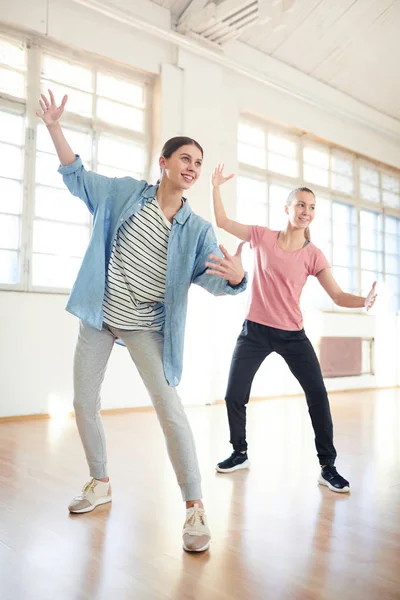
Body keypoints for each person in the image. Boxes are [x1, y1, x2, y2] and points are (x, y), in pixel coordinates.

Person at [36, 92, 247, 552]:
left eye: (198, 162)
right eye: (185, 158)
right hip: (100, 314)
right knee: (83, 400)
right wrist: (54, 127)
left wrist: (238, 277)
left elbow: (215, 280)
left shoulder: (196, 230)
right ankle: (100, 481)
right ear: (164, 162)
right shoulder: (125, 193)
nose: (192, 167)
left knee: (170, 409)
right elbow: (77, 177)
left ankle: (194, 508)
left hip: (147, 328)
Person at [208, 163, 377, 493]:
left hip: (292, 335)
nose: (306, 211)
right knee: (233, 395)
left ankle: (327, 467)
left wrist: (364, 302)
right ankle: (239, 452)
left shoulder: (313, 255)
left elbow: (339, 295)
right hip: (254, 331)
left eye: (312, 207)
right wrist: (215, 187)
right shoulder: (261, 236)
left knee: (318, 396)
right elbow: (224, 222)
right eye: (301, 205)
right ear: (287, 208)